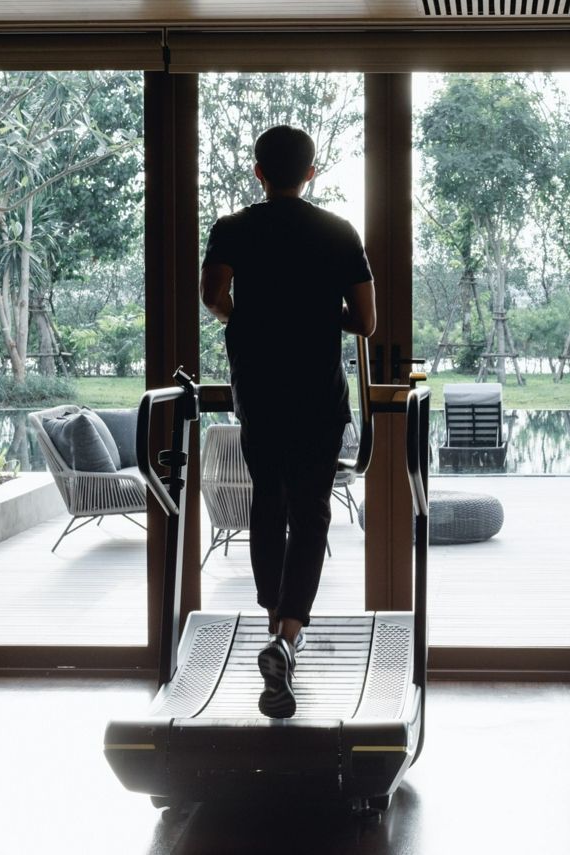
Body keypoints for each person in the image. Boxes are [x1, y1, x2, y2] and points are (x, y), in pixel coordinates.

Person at [199, 125, 376, 719]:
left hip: (260, 392)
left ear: (258, 172)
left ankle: (273, 621)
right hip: (318, 397)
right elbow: (368, 321)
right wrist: (324, 312)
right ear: (311, 173)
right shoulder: (338, 232)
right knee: (312, 512)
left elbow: (213, 295)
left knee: (267, 506)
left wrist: (240, 312)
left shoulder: (233, 229)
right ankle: (289, 633)